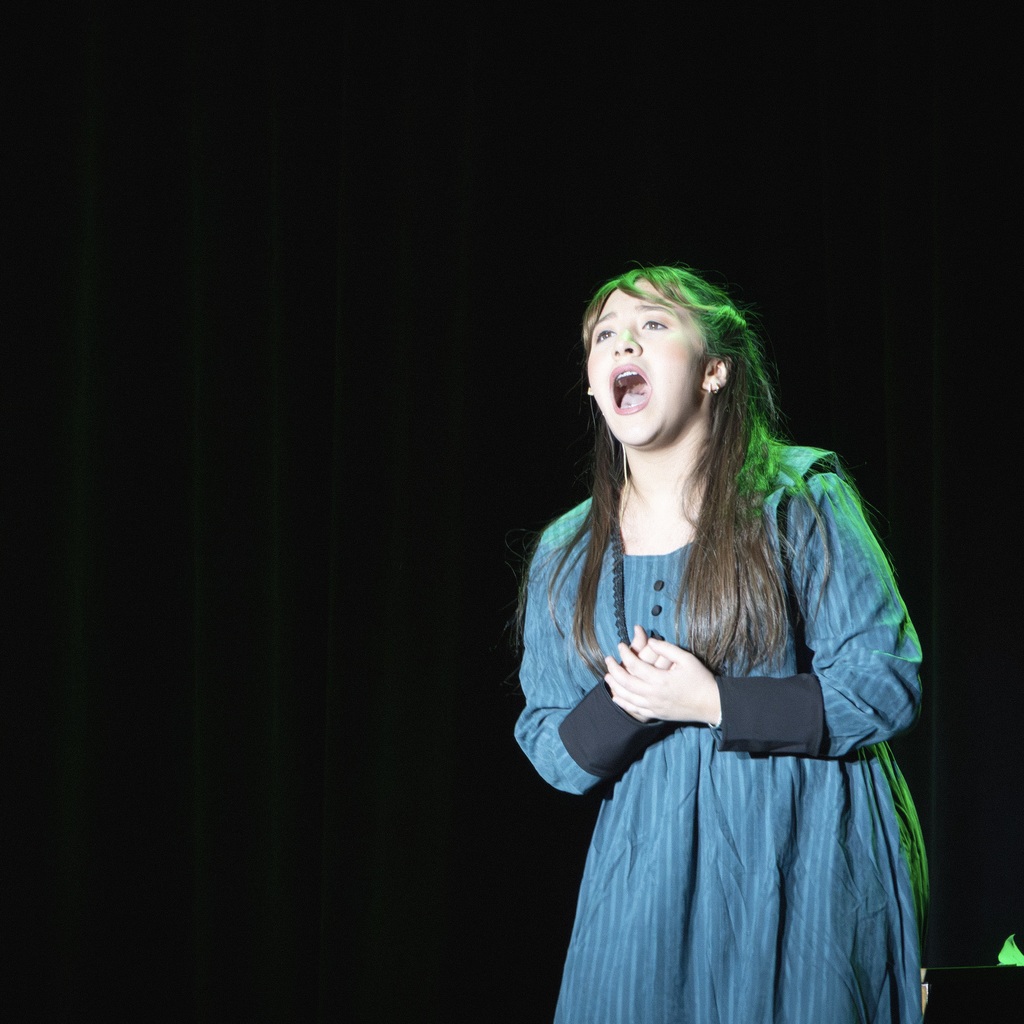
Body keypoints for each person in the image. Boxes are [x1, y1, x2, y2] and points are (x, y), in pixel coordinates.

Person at [513, 265, 928, 1023]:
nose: (623, 340)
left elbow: (884, 683)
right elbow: (551, 749)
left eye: (655, 324)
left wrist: (712, 701)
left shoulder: (799, 499)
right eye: (605, 334)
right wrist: (629, 702)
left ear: (714, 370)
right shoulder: (567, 550)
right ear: (591, 383)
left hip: (801, 864)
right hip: (645, 880)